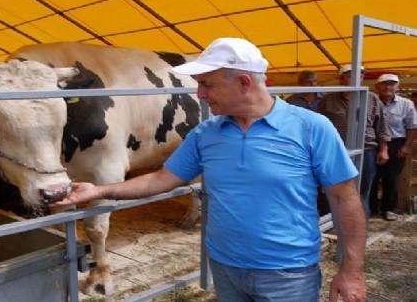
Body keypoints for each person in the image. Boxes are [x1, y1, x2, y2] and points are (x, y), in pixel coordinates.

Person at [53, 38, 367, 302]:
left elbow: (344, 199)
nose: (199, 94)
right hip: (225, 269)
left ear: (244, 83)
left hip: (288, 275)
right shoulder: (206, 134)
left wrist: (352, 271)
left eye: (206, 84)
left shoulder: (312, 128)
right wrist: (99, 190)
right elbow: (162, 179)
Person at [316, 64, 390, 218]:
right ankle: (331, 219)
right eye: (351, 75)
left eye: (360, 75)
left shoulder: (372, 98)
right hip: (336, 151)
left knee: (363, 187)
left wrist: (384, 149)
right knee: (332, 185)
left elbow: (381, 125)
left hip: (366, 150)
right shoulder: (329, 99)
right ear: (342, 79)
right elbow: (319, 125)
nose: (357, 79)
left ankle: (359, 219)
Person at [370, 74, 417, 221]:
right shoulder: (370, 101)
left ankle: (388, 208)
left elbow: (412, 126)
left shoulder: (406, 104)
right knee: (371, 176)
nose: (388, 87)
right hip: (372, 142)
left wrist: (407, 146)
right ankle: (370, 208)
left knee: (391, 177)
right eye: (384, 84)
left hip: (396, 142)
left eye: (392, 84)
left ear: (398, 87)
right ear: (377, 86)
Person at [286, 70, 329, 216]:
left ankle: (324, 211)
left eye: (315, 81)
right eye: (308, 82)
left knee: (323, 176)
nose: (312, 84)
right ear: (300, 83)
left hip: (320, 141)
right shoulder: (291, 100)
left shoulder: (326, 98)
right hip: (300, 142)